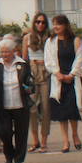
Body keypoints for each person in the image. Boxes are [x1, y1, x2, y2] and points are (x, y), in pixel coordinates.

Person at [0, 37, 34, 163]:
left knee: (21, 133)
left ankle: (19, 158)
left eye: (7, 51)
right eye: (2, 52)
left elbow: (30, 81)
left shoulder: (22, 64)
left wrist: (29, 87)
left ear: (13, 51)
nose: (4, 54)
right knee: (4, 132)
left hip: (20, 103)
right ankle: (9, 155)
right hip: (3, 104)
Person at [47, 16, 82, 153]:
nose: (56, 27)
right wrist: (58, 74)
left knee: (72, 110)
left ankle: (75, 134)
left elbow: (79, 58)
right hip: (58, 80)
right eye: (54, 24)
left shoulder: (75, 40)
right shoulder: (51, 42)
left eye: (59, 24)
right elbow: (48, 60)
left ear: (65, 25)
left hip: (71, 79)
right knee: (61, 113)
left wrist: (71, 75)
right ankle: (65, 140)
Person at [23, 13, 52, 153]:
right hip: (32, 72)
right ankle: (35, 140)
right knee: (32, 108)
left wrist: (45, 64)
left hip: (46, 72)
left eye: (43, 22)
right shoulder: (27, 38)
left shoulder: (50, 38)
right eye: (38, 22)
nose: (40, 24)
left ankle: (44, 140)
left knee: (46, 108)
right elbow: (24, 58)